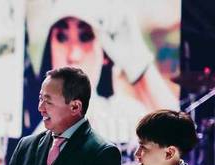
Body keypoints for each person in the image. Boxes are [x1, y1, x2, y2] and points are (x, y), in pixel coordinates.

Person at [26, 0, 179, 142]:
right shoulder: (38, 132)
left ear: (105, 53)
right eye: (62, 37)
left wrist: (139, 63)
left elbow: (179, 137)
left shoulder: (127, 116)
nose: (73, 55)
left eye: (85, 36)